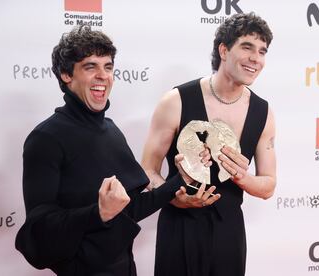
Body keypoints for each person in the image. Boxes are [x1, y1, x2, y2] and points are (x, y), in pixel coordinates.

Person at [14, 25, 211, 276]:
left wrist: (180, 179)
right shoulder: (45, 138)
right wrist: (98, 213)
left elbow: (130, 210)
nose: (102, 75)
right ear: (66, 74)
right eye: (90, 66)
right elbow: (38, 231)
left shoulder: (111, 130)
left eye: (108, 67)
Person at [141, 12, 276, 276]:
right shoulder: (176, 101)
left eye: (262, 51)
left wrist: (241, 177)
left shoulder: (263, 112)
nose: (255, 59)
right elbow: (147, 169)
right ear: (223, 50)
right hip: (179, 225)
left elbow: (268, 184)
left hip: (229, 232)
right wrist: (174, 198)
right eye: (247, 47)